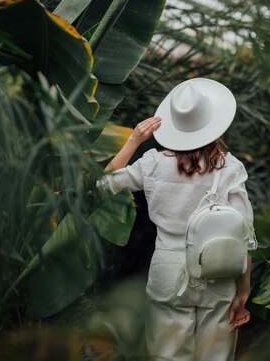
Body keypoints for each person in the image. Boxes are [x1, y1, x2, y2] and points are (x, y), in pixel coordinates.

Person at [96, 77, 257, 361]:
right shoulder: (231, 167)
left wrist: (134, 140)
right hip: (218, 269)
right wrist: (243, 293)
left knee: (166, 355)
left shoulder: (153, 163)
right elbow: (244, 236)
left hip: (168, 270)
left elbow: (101, 185)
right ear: (214, 122)